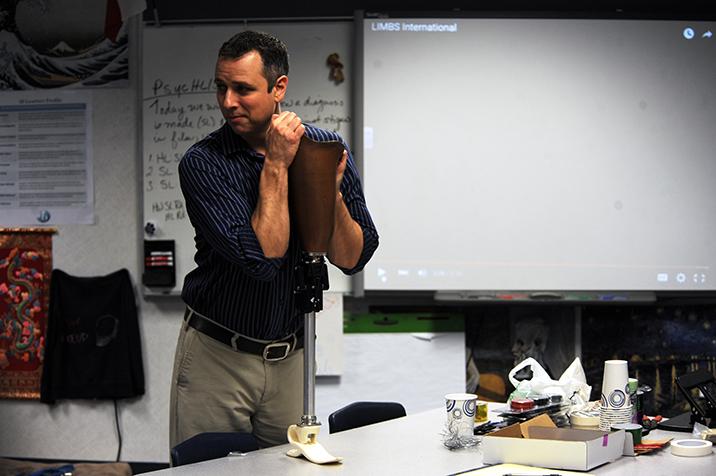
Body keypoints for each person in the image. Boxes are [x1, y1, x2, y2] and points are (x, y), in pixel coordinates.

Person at [169, 30, 378, 451]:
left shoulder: (325, 148)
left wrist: (330, 192)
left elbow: (354, 257)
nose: (228, 102)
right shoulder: (204, 163)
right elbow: (263, 258)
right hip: (218, 354)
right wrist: (278, 164)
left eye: (243, 89)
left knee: (289, 467)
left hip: (292, 357)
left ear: (278, 87)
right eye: (221, 87)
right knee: (206, 471)